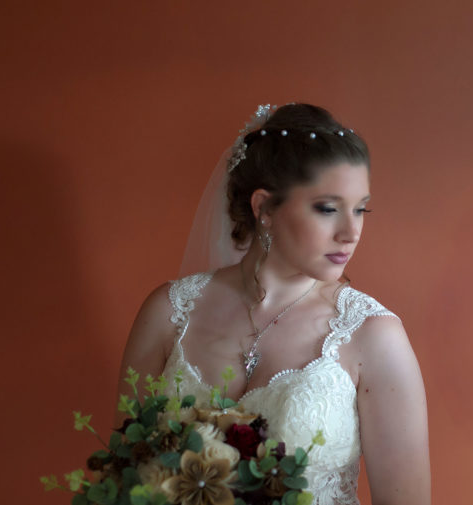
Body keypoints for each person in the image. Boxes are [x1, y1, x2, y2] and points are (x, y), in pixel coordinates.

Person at [117, 103, 430, 505]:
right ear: (263, 208)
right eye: (328, 209)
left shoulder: (372, 335)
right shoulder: (167, 313)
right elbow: (125, 479)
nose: (351, 232)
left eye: (361, 209)